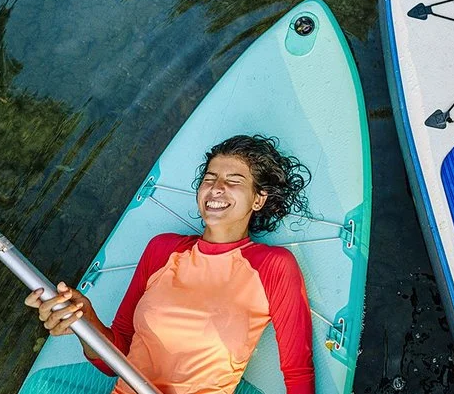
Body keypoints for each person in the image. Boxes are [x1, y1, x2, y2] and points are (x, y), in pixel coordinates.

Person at [25, 134, 316, 394]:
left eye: (233, 181)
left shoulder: (273, 266)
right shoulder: (163, 249)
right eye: (210, 178)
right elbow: (116, 357)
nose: (216, 188)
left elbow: (297, 372)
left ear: (258, 199)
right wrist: (84, 321)